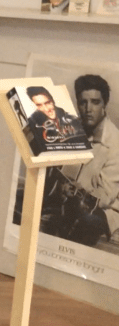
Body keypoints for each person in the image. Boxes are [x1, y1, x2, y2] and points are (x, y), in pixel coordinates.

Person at [55, 75, 119, 245]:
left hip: (102, 210)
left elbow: (105, 197)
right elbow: (63, 172)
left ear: (104, 104)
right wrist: (63, 187)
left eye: (95, 102)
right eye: (83, 102)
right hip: (72, 201)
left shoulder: (115, 143)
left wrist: (79, 191)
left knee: (86, 222)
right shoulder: (73, 129)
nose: (88, 109)